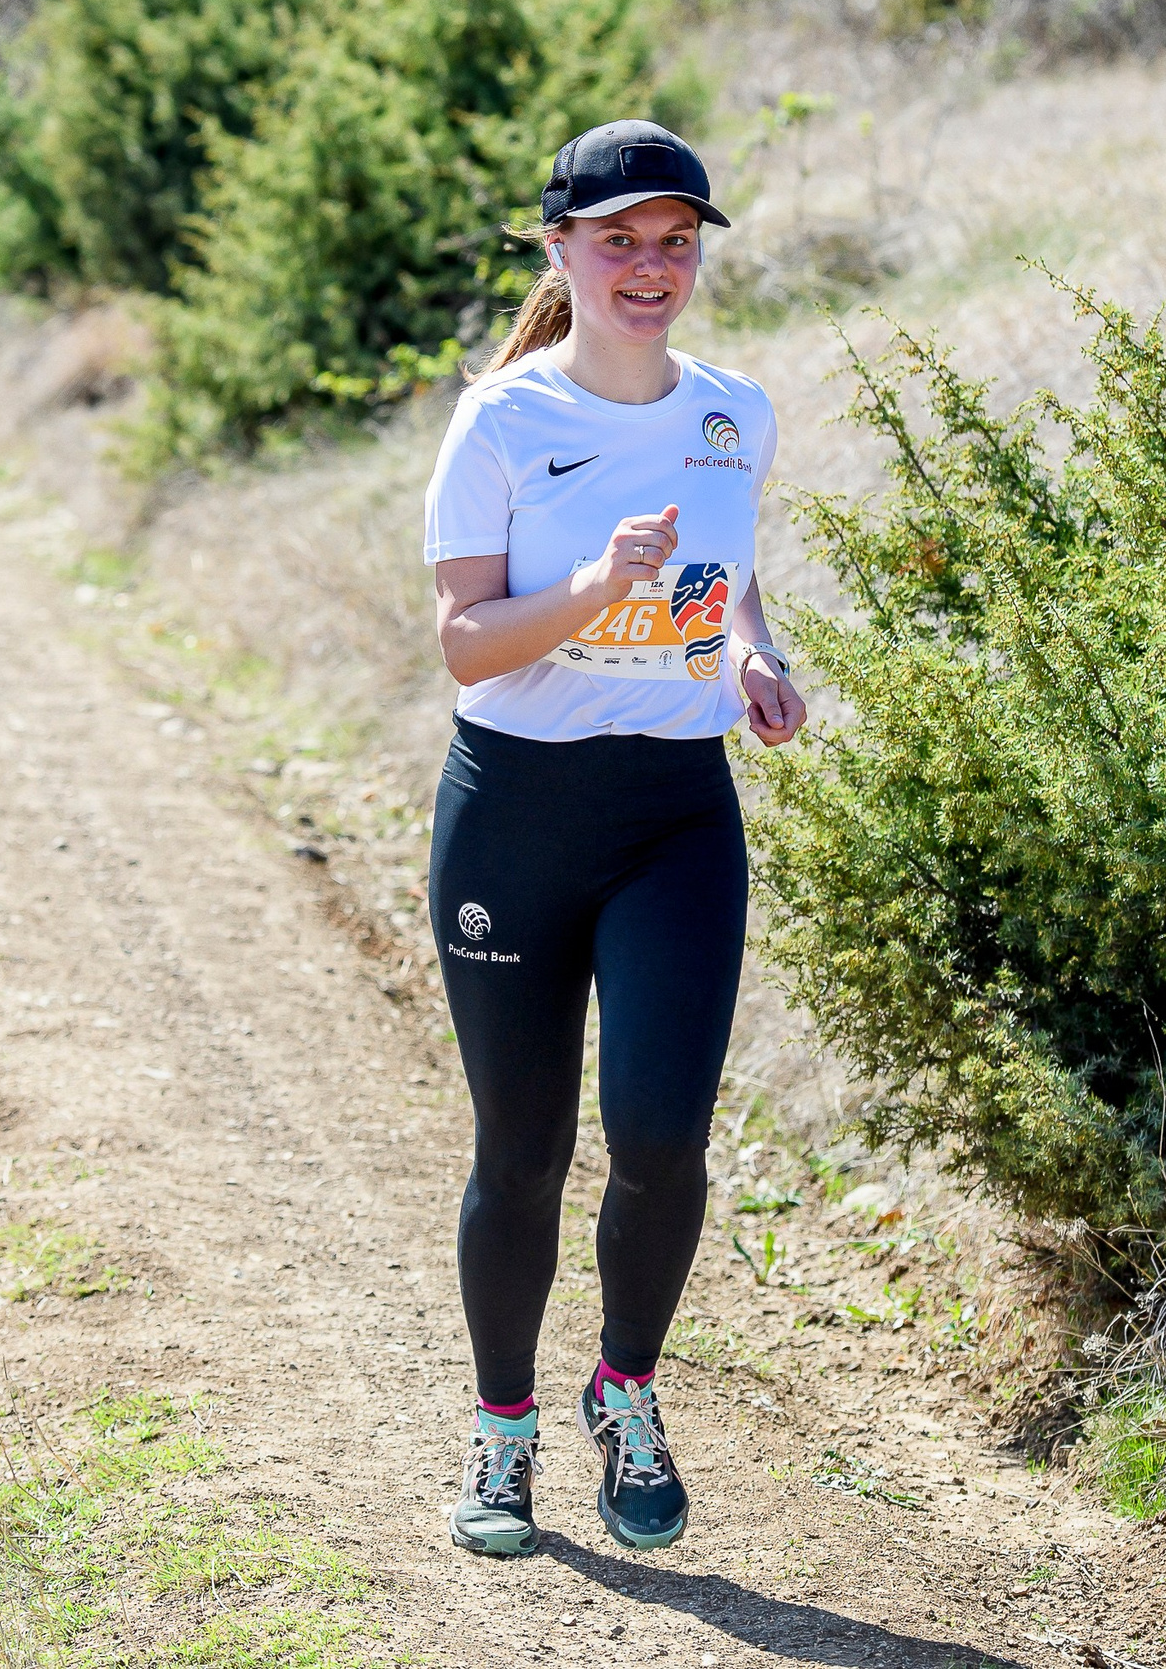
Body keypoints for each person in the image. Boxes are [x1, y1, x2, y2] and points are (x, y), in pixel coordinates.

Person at [422, 120, 807, 1558]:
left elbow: (729, 557)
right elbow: (465, 645)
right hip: (517, 813)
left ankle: (625, 1391)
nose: (652, 269)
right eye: (620, 242)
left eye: (676, 242)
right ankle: (502, 1432)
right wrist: (588, 591)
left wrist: (756, 654)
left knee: (660, 1134)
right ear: (563, 252)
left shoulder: (734, 409)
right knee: (521, 1153)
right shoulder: (505, 421)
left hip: (673, 813)